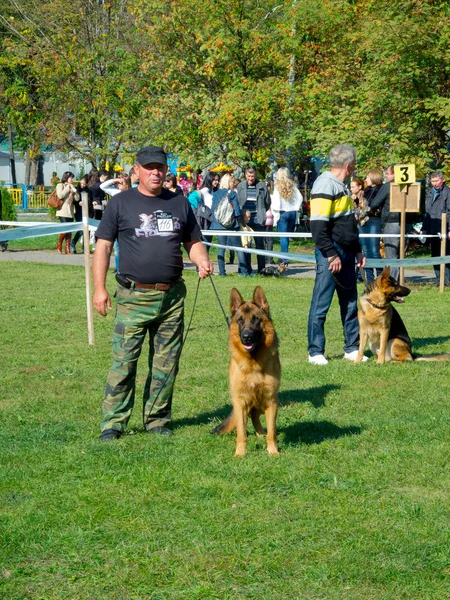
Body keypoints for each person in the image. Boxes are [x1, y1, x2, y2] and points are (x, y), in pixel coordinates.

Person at [93, 145, 213, 441]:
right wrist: (99, 289)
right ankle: (114, 422)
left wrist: (201, 260)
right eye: (149, 167)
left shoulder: (179, 202)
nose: (156, 172)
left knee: (165, 364)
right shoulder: (120, 203)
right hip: (133, 296)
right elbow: (103, 247)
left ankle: (157, 419)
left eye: (160, 167)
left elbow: (192, 241)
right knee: (124, 363)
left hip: (172, 298)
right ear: (137, 170)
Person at [307, 144, 367, 365]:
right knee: (321, 303)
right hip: (330, 252)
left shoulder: (341, 186)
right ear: (349, 165)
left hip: (348, 252)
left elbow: (349, 222)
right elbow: (317, 227)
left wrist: (358, 250)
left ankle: (352, 348)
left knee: (350, 302)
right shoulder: (324, 184)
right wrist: (331, 255)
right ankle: (315, 351)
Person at [210, 173, 247, 277]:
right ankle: (244, 272)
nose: (234, 183)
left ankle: (222, 272)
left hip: (218, 225)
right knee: (238, 248)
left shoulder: (215, 193)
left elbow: (213, 210)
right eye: (232, 181)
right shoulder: (232, 194)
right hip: (231, 225)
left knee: (221, 248)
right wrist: (243, 225)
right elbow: (236, 211)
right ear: (228, 182)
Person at [236, 167, 271, 274]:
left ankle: (261, 270)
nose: (251, 178)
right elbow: (238, 202)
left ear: (256, 176)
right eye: (249, 176)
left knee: (260, 245)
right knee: (246, 244)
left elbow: (267, 202)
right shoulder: (240, 186)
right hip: (244, 220)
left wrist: (261, 211)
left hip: (258, 219)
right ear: (245, 176)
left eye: (252, 176)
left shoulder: (262, 186)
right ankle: (246, 269)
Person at [369, 165, 398, 279]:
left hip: (391, 222)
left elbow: (375, 203)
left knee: (391, 255)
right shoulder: (410, 186)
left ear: (395, 174)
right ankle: (397, 279)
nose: (385, 176)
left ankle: (392, 281)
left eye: (387, 173)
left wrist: (372, 209)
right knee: (400, 254)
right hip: (407, 224)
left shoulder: (388, 186)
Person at [422, 170, 450, 284]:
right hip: (432, 229)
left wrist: (449, 229)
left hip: (444, 227)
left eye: (436, 181)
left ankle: (447, 280)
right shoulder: (429, 193)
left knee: (446, 254)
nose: (434, 183)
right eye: (433, 181)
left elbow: (449, 212)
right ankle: (439, 279)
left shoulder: (448, 193)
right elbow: (427, 212)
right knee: (435, 254)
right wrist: (424, 229)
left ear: (442, 180)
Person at [271, 167, 303, 266]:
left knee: (283, 237)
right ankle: (283, 256)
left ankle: (284, 258)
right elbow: (300, 198)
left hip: (283, 213)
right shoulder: (293, 186)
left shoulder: (277, 187)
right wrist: (295, 207)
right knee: (287, 236)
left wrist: (276, 212)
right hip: (292, 213)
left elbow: (275, 202)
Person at [100, 174, 132, 271]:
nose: (119, 185)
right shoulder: (115, 192)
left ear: (127, 184)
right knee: (117, 249)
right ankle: (119, 269)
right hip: (117, 223)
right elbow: (102, 186)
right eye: (118, 183)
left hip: (129, 223)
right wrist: (114, 180)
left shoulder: (133, 193)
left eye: (121, 183)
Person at [359, 169, 383, 283]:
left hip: (374, 220)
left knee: (374, 249)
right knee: (366, 250)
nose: (365, 179)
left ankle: (380, 276)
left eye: (367, 177)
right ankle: (369, 278)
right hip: (364, 221)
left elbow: (377, 207)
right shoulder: (366, 191)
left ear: (373, 177)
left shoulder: (381, 190)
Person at [55, 171, 76, 254]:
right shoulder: (60, 185)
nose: (72, 179)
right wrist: (68, 187)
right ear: (67, 178)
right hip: (62, 211)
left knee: (70, 230)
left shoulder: (72, 186)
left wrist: (75, 191)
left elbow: (77, 199)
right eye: (71, 177)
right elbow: (60, 195)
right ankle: (59, 243)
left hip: (70, 211)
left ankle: (67, 247)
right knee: (64, 229)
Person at [71, 175, 93, 253]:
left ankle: (85, 247)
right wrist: (78, 203)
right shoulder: (76, 190)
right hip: (79, 212)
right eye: (82, 183)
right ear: (80, 181)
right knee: (81, 229)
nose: (83, 185)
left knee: (87, 230)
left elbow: (91, 201)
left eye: (84, 184)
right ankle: (73, 243)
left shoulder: (89, 191)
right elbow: (73, 201)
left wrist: (92, 203)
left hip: (87, 212)